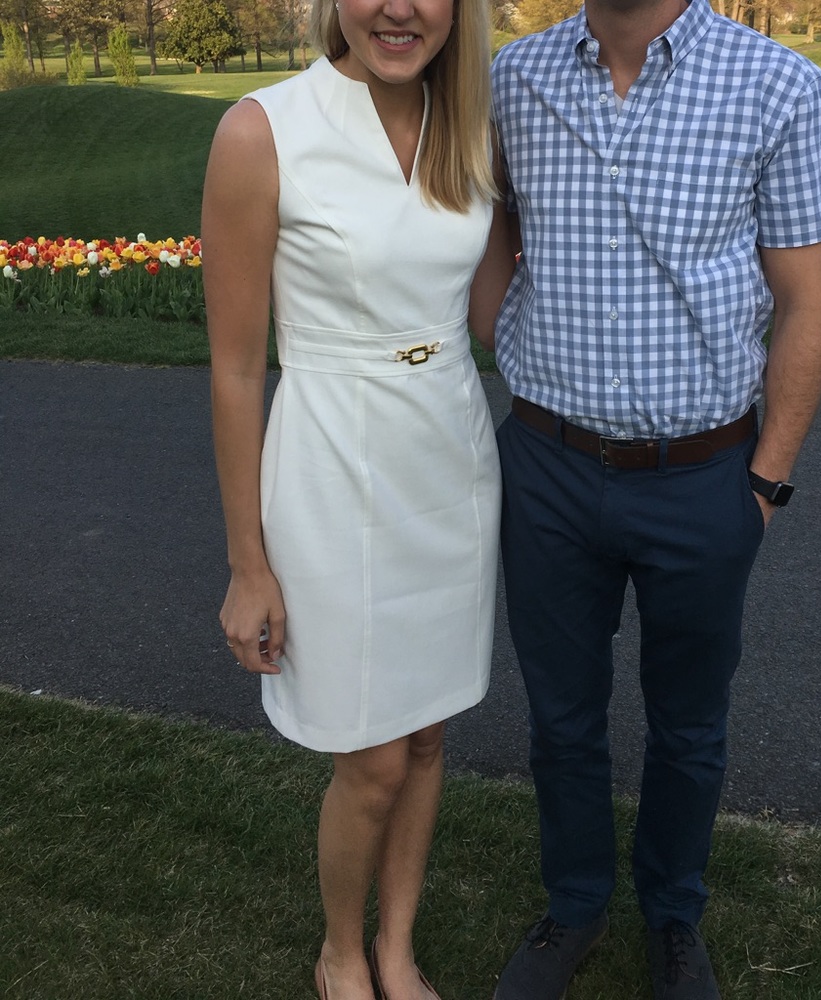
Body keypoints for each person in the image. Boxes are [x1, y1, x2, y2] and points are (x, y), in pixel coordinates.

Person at [489, 0, 821, 997]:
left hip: (702, 475)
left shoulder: (774, 84)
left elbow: (808, 302)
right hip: (549, 465)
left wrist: (764, 484)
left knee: (689, 724)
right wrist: (500, 333)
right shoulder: (513, 80)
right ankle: (574, 905)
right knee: (561, 718)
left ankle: (672, 912)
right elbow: (491, 229)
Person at [201, 0, 511, 993]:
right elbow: (236, 370)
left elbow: (493, 315)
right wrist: (247, 564)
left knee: (426, 733)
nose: (398, 8)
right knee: (371, 761)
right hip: (330, 468)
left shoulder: (470, 129)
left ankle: (396, 946)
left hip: (449, 465)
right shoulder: (262, 131)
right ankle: (341, 949)